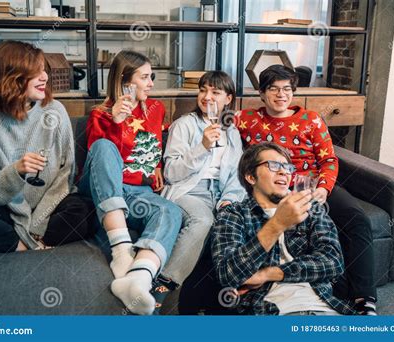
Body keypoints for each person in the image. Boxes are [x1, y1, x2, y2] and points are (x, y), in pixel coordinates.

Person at [237, 64, 376, 315]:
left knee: (358, 220)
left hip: (314, 185)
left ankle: (364, 299)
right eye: (274, 89)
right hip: (277, 190)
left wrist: (324, 188)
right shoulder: (247, 119)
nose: (281, 94)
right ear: (261, 92)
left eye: (287, 89)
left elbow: (329, 160)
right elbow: (214, 129)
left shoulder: (310, 119)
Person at [0, 40, 95, 253]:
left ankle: (30, 240)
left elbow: (66, 174)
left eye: (44, 70)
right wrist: (15, 172)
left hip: (50, 205)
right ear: (12, 79)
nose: (45, 77)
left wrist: (37, 222)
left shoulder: (55, 111)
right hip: (7, 209)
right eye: (36, 73)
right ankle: (23, 246)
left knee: (85, 210)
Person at [78, 50, 182, 315]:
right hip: (101, 187)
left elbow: (153, 144)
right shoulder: (100, 114)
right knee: (102, 146)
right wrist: (115, 123)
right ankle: (122, 251)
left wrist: (156, 166)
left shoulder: (156, 109)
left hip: (137, 191)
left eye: (151, 77)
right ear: (126, 81)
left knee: (169, 210)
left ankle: (139, 276)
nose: (150, 83)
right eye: (145, 77)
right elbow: (101, 160)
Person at [211, 142, 356, 315]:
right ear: (251, 176)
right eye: (273, 165)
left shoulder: (311, 209)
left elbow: (333, 262)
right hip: (274, 311)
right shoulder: (234, 214)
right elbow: (229, 275)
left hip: (325, 308)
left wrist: (267, 273)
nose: (283, 172)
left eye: (287, 167)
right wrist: (277, 224)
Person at [153, 71, 245, 311]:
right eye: (203, 90)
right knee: (203, 222)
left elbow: (237, 174)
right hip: (190, 191)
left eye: (215, 92)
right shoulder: (184, 124)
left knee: (232, 229)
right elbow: (171, 172)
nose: (207, 97)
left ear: (228, 98)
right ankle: (163, 285)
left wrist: (228, 200)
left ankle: (220, 305)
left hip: (219, 194)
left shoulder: (231, 131)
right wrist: (202, 147)